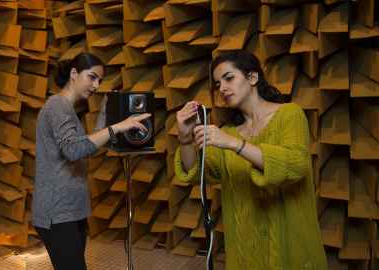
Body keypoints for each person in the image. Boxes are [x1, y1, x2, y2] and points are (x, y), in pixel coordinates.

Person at [174, 50, 327, 269]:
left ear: (252, 78)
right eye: (218, 84)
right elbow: (198, 174)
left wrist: (236, 145)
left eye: (229, 78)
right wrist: (185, 137)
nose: (223, 88)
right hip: (245, 249)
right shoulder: (228, 132)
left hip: (289, 243)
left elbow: (296, 164)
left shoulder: (289, 114)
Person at [32, 52, 150, 270]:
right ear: (74, 73)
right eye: (92, 77)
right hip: (57, 214)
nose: (96, 85)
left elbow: (86, 149)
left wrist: (105, 114)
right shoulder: (57, 106)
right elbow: (74, 150)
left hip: (71, 211)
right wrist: (118, 127)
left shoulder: (68, 110)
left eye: (100, 80)